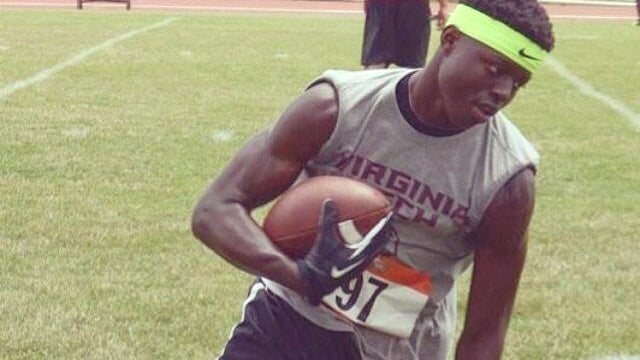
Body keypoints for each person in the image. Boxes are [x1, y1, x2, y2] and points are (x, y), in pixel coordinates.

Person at [191, 0, 555, 359]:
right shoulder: (337, 107)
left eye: (518, 82)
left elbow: (486, 334)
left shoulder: (507, 180)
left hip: (395, 347)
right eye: (494, 68)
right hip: (285, 322)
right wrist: (302, 277)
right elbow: (215, 211)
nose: (503, 92)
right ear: (451, 39)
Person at [361, 0, 448, 69]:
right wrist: (443, 6)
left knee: (376, 60)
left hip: (381, 5)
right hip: (413, 6)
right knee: (412, 65)